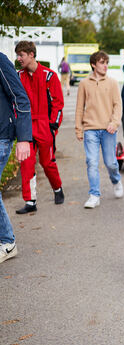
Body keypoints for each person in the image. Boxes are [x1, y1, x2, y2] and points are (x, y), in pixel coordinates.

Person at [15, 41, 65, 214]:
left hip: (45, 125)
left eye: (21, 55)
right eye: (18, 55)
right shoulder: (18, 76)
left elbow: (58, 103)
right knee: (26, 163)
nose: (18, 58)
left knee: (47, 162)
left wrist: (53, 126)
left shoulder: (49, 75)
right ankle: (30, 201)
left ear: (31, 54)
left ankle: (57, 188)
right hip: (26, 126)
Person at [75, 50, 124, 208]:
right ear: (93, 64)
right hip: (90, 129)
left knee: (110, 162)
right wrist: (78, 129)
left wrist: (114, 122)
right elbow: (79, 108)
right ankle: (94, 195)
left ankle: (116, 180)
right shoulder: (84, 84)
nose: (105, 66)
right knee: (91, 162)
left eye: (107, 63)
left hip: (108, 129)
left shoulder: (112, 83)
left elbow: (118, 105)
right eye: (102, 63)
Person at [0, 52, 32, 263]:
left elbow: (20, 97)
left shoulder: (0, 60)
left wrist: (23, 138)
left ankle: (7, 242)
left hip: (1, 135)